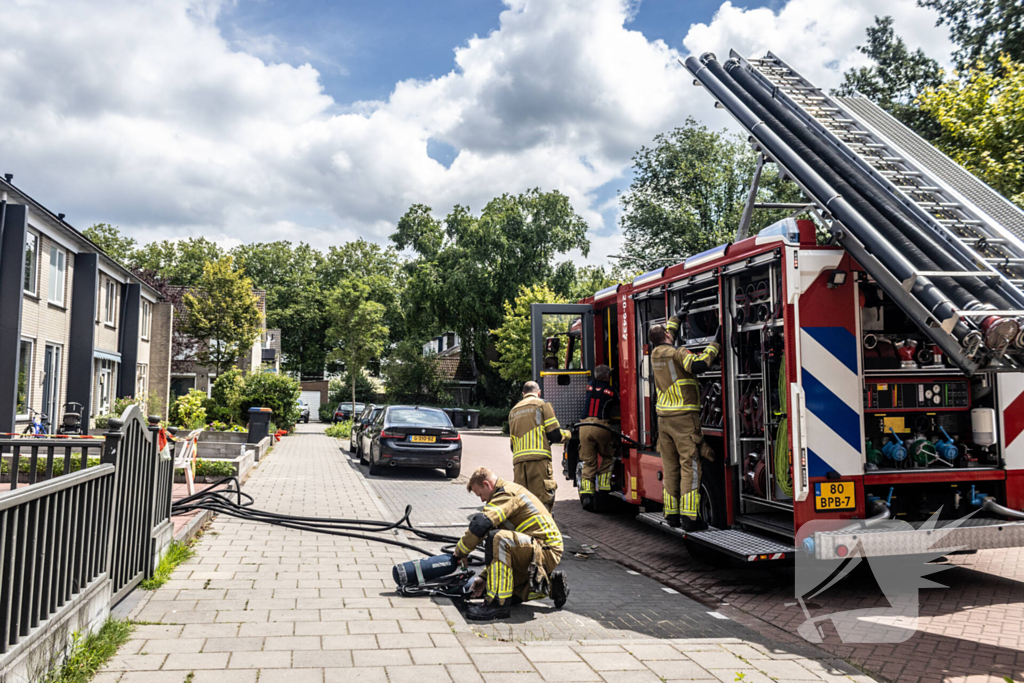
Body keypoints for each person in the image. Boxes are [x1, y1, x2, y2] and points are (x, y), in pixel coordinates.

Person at [454, 467, 569, 620]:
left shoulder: (507, 493)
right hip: (535, 549)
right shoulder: (503, 494)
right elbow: (499, 556)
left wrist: (460, 552)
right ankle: (553, 587)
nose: (481, 500)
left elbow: (481, 524)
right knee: (508, 592)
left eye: (480, 494)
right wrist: (484, 577)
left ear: (487, 484)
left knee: (498, 538)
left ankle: (497, 605)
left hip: (545, 549)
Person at [649, 313, 721, 530]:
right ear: (667, 336)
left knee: (671, 468)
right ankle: (691, 519)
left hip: (664, 419)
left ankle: (672, 514)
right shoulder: (677, 353)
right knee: (690, 466)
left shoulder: (655, 353)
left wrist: (675, 318)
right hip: (684, 418)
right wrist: (714, 345)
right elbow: (698, 365)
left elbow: (667, 334)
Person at [508, 381, 568, 511]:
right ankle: (544, 530)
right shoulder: (542, 404)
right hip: (539, 460)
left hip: (519, 464)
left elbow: (512, 445)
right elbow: (554, 435)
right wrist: (567, 434)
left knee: (522, 504)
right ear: (538, 392)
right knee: (542, 503)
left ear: (523, 394)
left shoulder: (513, 411)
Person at [578, 364, 619, 511]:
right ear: (607, 376)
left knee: (589, 462)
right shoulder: (611, 391)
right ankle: (603, 491)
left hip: (583, 426)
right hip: (600, 426)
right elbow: (619, 402)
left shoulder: (589, 385)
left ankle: (587, 496)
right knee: (608, 457)